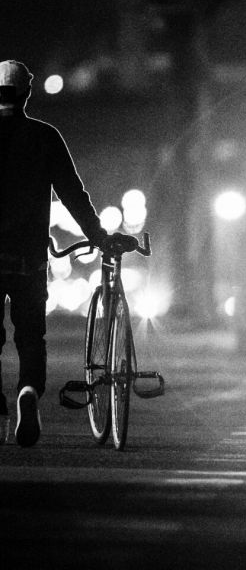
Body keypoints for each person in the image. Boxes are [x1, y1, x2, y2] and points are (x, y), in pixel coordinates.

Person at [0, 60, 129, 447]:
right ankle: (28, 390)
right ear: (27, 93)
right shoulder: (45, 137)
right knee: (30, 336)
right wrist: (98, 235)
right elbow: (73, 192)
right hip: (29, 258)